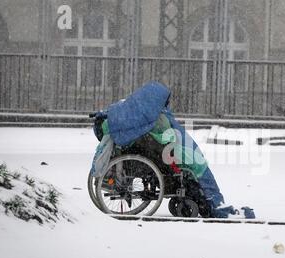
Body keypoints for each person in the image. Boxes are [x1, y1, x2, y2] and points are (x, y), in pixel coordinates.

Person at [95, 81, 255, 219]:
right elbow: (168, 137)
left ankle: (204, 197)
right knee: (198, 167)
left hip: (164, 149)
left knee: (194, 161)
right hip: (174, 152)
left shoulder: (133, 115)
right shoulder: (157, 119)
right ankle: (212, 201)